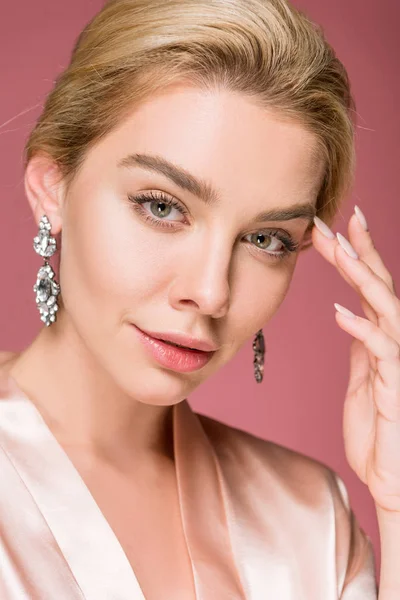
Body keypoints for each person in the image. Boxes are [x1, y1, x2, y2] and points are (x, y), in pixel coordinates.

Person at [5, 0, 400, 597]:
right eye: (162, 206)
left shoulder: (311, 520)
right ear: (51, 189)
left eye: (265, 240)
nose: (211, 292)